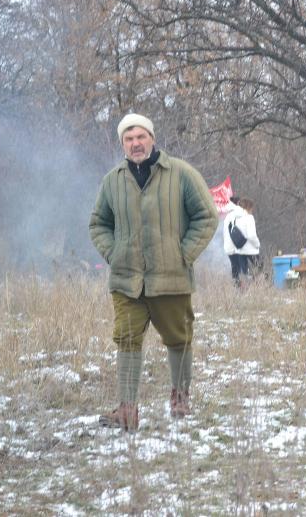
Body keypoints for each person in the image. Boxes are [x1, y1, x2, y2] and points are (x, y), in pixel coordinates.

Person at [89, 113, 218, 431]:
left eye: (141, 136)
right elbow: (99, 224)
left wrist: (183, 254)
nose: (136, 143)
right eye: (129, 139)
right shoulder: (113, 181)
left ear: (152, 138)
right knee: (127, 339)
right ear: (122, 144)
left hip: (170, 278)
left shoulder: (181, 173)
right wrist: (113, 253)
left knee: (179, 338)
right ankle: (127, 410)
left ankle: (180, 399)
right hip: (127, 280)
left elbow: (206, 216)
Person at [233, 198, 261, 282]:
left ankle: (246, 287)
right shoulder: (249, 218)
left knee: (244, 273)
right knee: (260, 267)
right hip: (250, 250)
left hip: (239, 249)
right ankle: (258, 285)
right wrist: (257, 244)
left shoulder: (236, 218)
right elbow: (251, 236)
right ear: (248, 207)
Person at [223, 195, 242, 285]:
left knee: (235, 266)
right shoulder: (237, 213)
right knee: (239, 267)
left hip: (229, 245)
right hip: (236, 245)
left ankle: (236, 286)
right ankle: (239, 287)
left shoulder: (228, 215)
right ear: (238, 203)